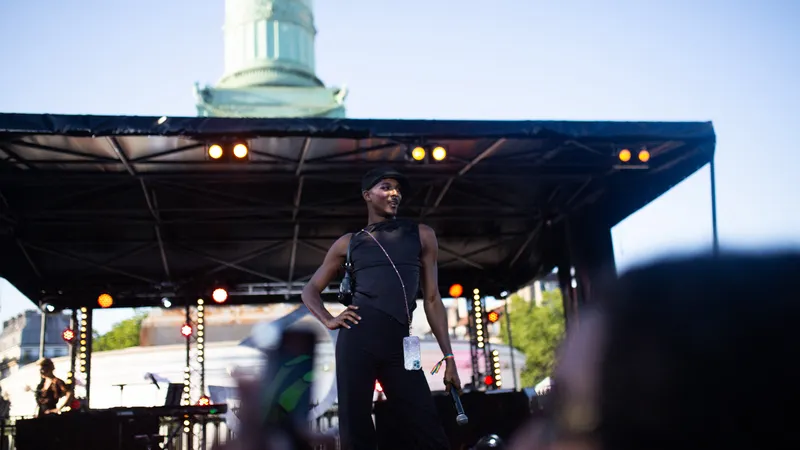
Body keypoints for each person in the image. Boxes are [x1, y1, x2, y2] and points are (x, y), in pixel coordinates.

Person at [301, 167, 459, 450]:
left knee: (425, 422)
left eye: (397, 189)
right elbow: (309, 291)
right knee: (356, 426)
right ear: (367, 195)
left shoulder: (421, 235)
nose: (394, 193)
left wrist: (449, 357)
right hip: (357, 338)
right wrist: (329, 319)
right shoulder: (349, 243)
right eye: (385, 187)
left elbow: (433, 299)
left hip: (401, 343)